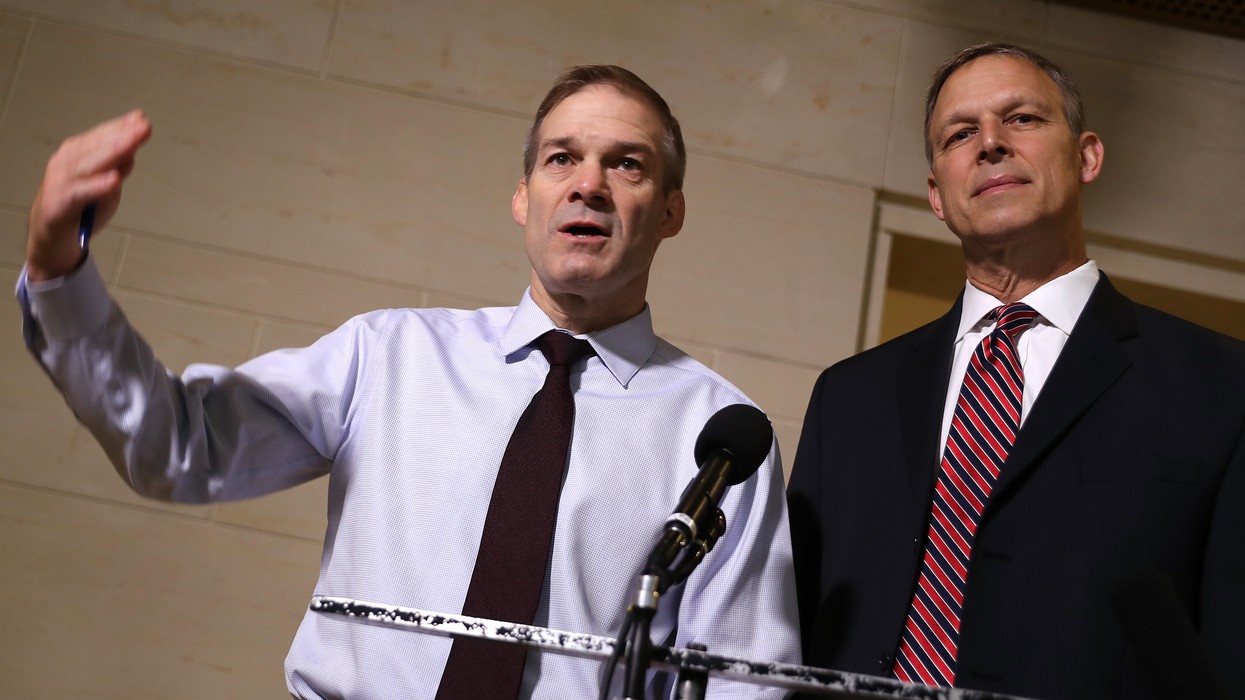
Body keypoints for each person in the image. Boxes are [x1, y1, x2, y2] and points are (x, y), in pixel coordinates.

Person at [19, 65, 800, 699]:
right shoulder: (386, 354)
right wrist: (61, 272)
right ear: (523, 196)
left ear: (670, 211)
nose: (587, 184)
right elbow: (178, 444)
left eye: (625, 164)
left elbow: (742, 683)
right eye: (560, 158)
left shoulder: (724, 434)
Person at [788, 43, 1244, 700]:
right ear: (937, 196)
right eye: (959, 133)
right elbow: (796, 634)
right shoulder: (848, 397)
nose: (990, 144)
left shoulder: (1220, 387)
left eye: (1022, 119)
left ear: (1086, 155)